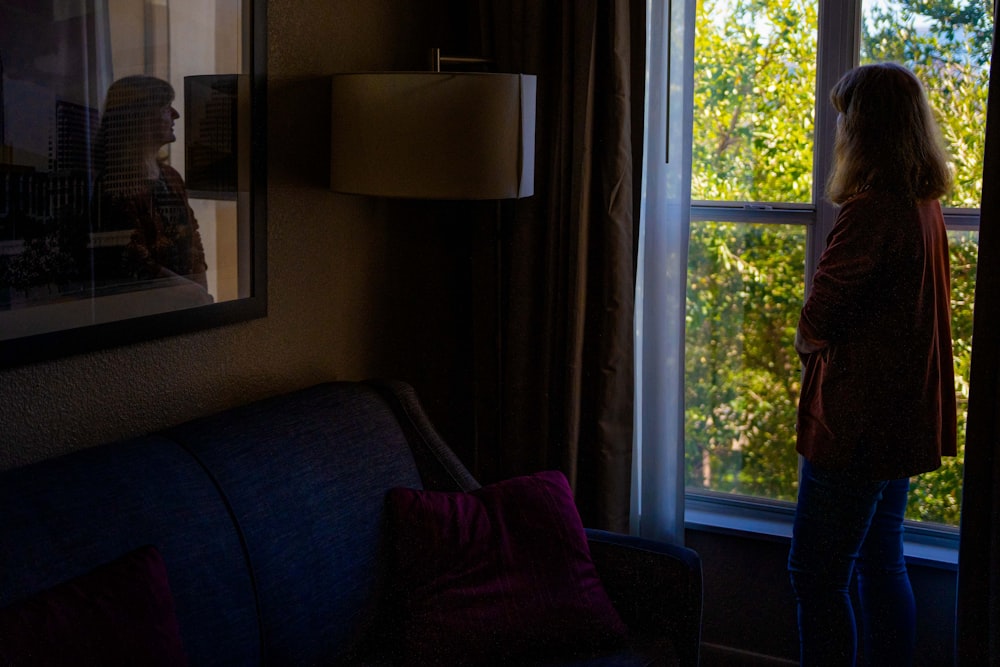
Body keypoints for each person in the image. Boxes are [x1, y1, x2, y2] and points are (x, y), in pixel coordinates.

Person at [788, 62, 957, 666]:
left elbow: (819, 319)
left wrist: (809, 342)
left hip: (857, 423)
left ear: (866, 129)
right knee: (884, 555)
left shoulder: (870, 210)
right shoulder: (923, 204)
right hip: (900, 415)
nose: (839, 133)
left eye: (844, 120)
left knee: (816, 576)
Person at [93, 75, 211, 302]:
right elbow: (134, 259)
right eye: (166, 107)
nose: (175, 114)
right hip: (146, 310)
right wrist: (194, 293)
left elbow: (193, 241)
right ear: (142, 116)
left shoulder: (172, 177)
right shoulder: (117, 183)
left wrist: (200, 292)